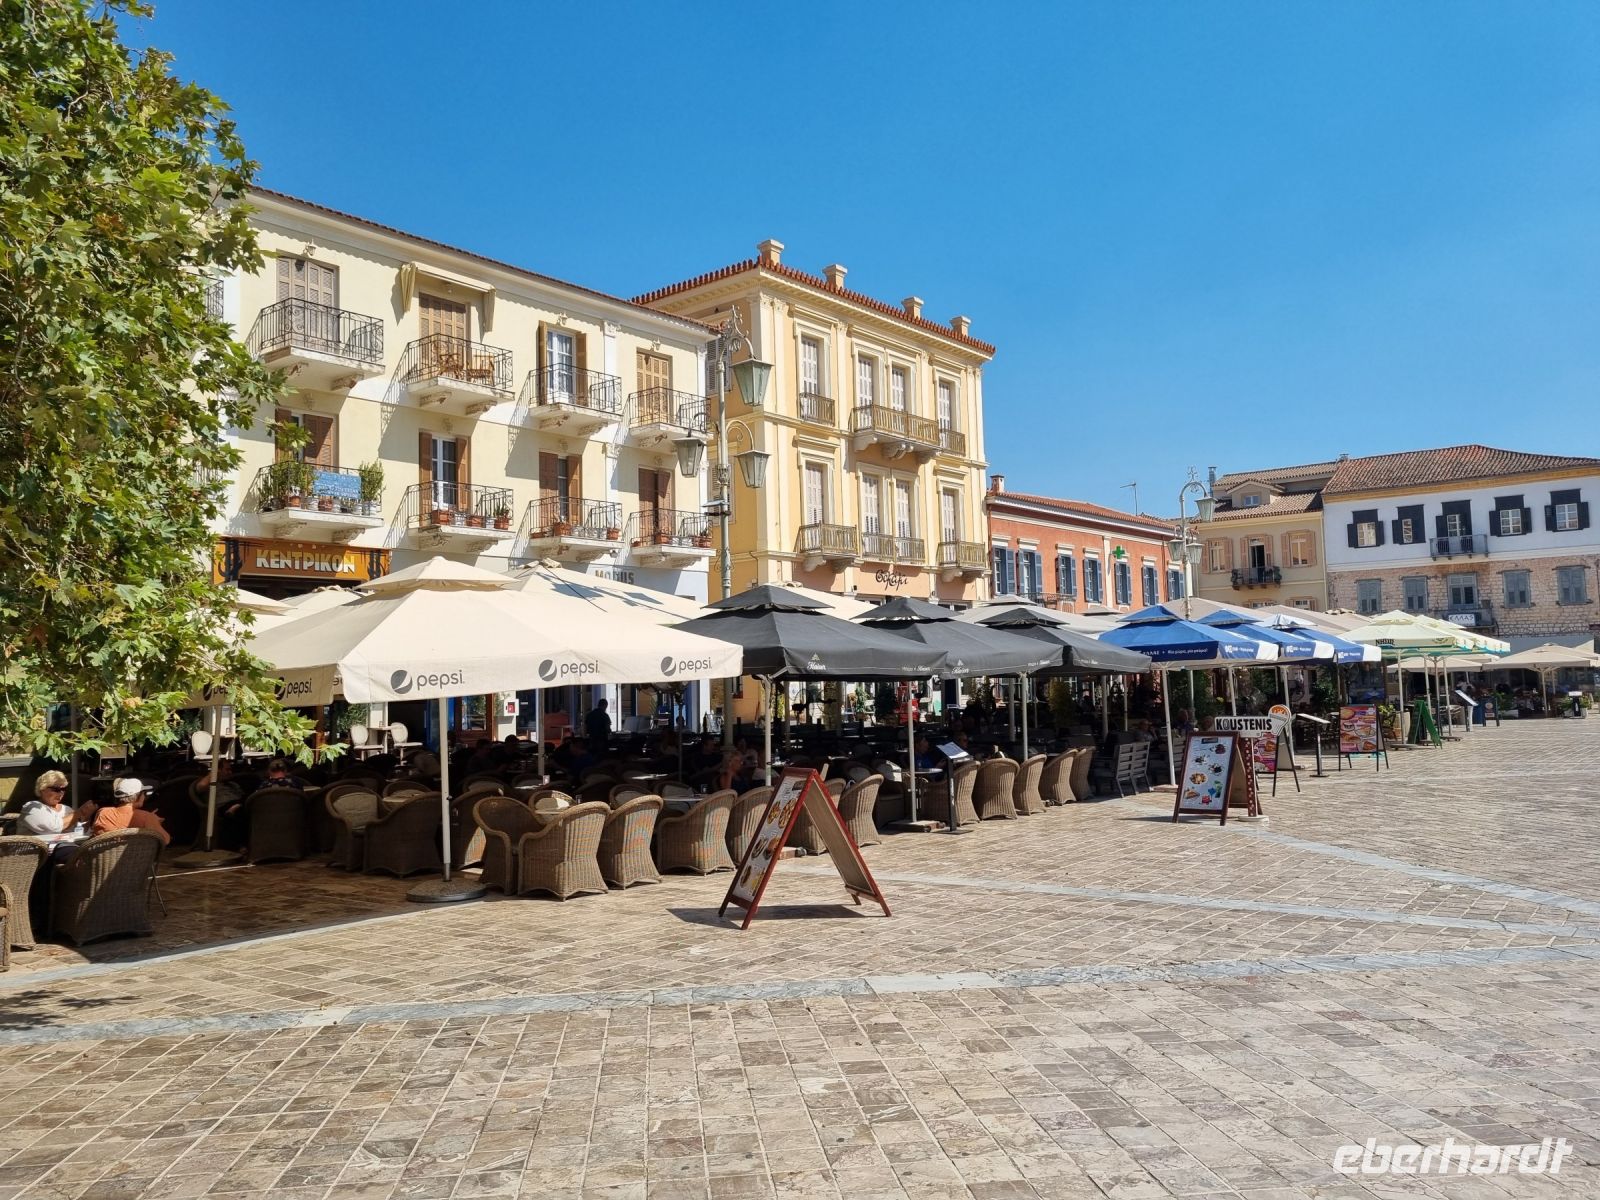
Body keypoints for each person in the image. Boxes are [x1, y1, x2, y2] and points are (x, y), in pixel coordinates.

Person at [93, 778, 171, 845]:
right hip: (139, 861)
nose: (144, 796)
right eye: (143, 793)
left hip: (106, 861)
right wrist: (155, 821)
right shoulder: (147, 817)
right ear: (138, 796)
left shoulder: (103, 813)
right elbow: (165, 840)